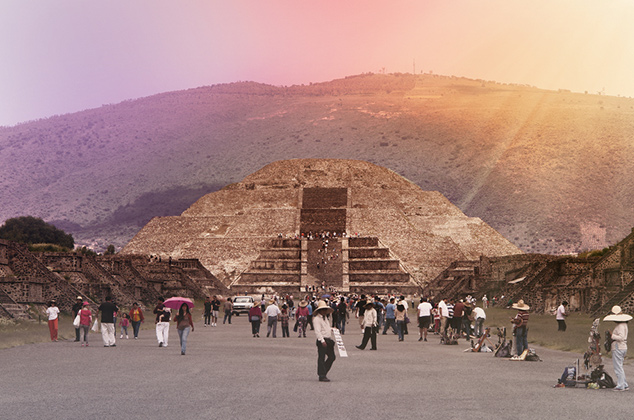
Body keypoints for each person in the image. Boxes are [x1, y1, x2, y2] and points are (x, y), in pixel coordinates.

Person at [604, 305, 631, 391]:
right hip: (623, 347)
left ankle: (620, 385)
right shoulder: (624, 325)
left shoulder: (620, 326)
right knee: (620, 366)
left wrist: (612, 335)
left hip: (618, 346)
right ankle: (624, 383)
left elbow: (621, 337)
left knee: (618, 367)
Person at [313, 300, 336, 382]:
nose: (325, 311)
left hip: (328, 339)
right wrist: (322, 341)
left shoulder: (325, 318)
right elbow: (317, 331)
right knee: (321, 358)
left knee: (332, 357)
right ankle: (322, 375)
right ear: (320, 310)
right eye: (323, 309)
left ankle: (323, 372)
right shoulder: (317, 319)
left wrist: (332, 329)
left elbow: (325, 328)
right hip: (322, 340)